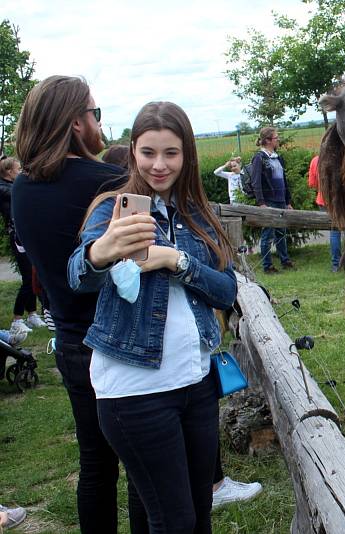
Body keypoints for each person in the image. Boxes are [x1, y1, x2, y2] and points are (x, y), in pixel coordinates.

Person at [68, 101, 237, 534]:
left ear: (188, 155)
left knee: (197, 509)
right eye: (148, 153)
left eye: (171, 153)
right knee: (175, 519)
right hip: (134, 391)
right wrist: (99, 254)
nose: (159, 165)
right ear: (133, 154)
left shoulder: (199, 215)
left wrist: (177, 261)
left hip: (195, 383)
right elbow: (77, 276)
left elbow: (227, 290)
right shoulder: (111, 210)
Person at [12, 76, 147, 534]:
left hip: (70, 339)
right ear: (75, 122)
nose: (98, 122)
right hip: (121, 338)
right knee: (141, 464)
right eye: (95, 113)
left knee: (95, 466)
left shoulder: (22, 189)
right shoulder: (108, 181)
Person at [0, 156, 47, 334]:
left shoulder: (12, 186)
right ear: (9, 172)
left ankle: (32, 314)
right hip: (18, 239)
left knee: (32, 276)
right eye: (18, 170)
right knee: (28, 279)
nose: (21, 173)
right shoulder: (5, 189)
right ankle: (17, 319)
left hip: (24, 237)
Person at [250, 127, 294, 273]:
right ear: (268, 140)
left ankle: (285, 260)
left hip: (281, 200)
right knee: (268, 234)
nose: (278, 140)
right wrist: (261, 202)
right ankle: (267, 265)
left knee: (281, 232)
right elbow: (256, 181)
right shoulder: (259, 157)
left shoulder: (277, 157)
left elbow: (284, 180)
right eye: (276, 138)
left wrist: (288, 201)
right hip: (268, 201)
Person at [307, 154, 342, 272]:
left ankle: (336, 264)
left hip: (323, 200)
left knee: (334, 232)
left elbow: (312, 183)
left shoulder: (315, 160)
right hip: (341, 200)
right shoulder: (340, 157)